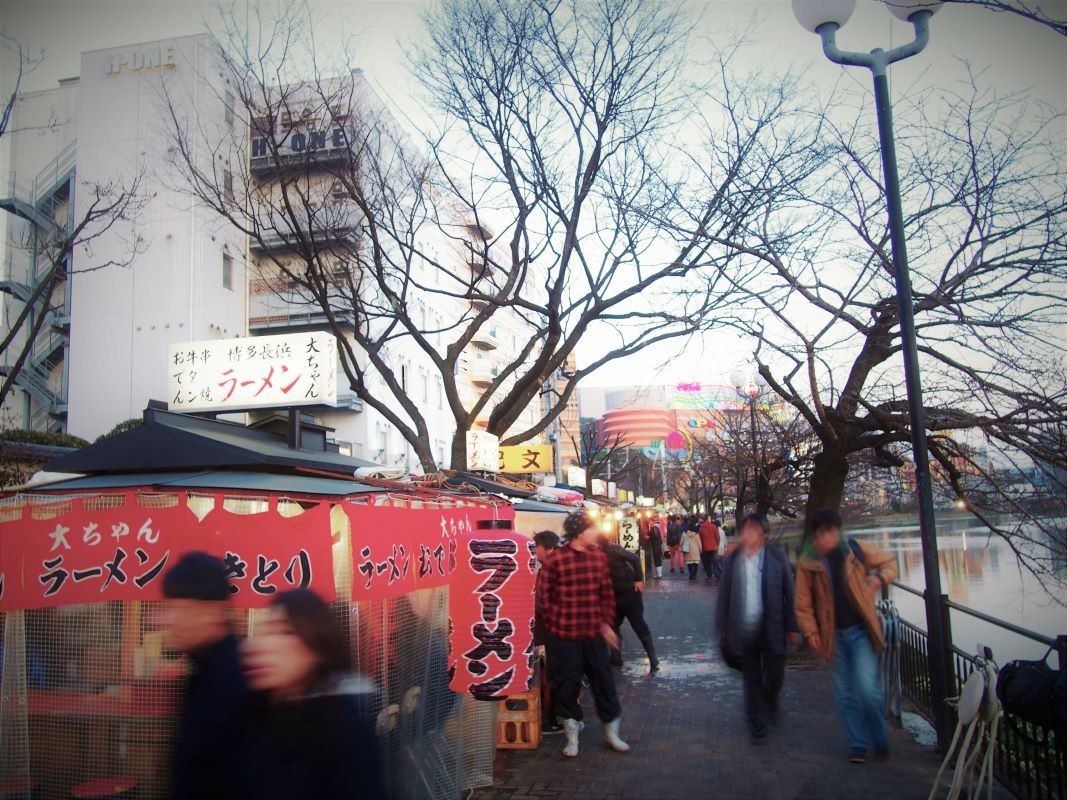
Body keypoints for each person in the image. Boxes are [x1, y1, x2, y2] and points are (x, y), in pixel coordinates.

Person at [239, 588, 386, 799]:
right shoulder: (256, 713)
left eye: (285, 632)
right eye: (267, 629)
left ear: (316, 649)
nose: (263, 644)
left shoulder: (345, 735)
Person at [795, 508, 898, 764]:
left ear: (837, 532)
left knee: (868, 689)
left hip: (862, 630)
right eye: (821, 533)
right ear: (816, 534)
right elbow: (803, 603)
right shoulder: (809, 561)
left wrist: (878, 579)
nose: (826, 538)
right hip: (832, 635)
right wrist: (811, 632)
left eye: (830, 532)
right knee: (844, 694)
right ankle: (858, 743)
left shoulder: (856, 551)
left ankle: (880, 738)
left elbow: (889, 562)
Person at [536, 509, 629, 758]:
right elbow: (545, 598)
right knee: (567, 684)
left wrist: (607, 624)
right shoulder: (556, 560)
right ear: (579, 532)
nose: (596, 532)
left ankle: (611, 732)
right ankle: (571, 736)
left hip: (593, 634)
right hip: (565, 635)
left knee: (604, 681)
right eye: (591, 528)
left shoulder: (598, 558)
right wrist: (556, 625)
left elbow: (607, 594)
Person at [163, 552, 252, 800]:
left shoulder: (237, 684)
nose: (169, 620)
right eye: (169, 608)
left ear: (214, 612)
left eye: (181, 609)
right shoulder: (200, 670)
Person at [715, 513, 798, 742]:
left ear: (764, 535)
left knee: (774, 676)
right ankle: (756, 722)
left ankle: (770, 700)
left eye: (753, 530)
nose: (748, 535)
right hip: (744, 629)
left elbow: (789, 593)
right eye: (746, 530)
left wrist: (793, 626)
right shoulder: (733, 560)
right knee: (751, 679)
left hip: (772, 626)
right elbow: (724, 596)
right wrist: (722, 627)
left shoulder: (776, 557)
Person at [600, 531, 659, 672]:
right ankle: (616, 657)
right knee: (613, 625)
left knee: (638, 624)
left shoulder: (613, 549)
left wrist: (638, 579)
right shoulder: (593, 556)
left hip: (629, 593)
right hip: (612, 596)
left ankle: (653, 657)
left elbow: (635, 558)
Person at [532, 530, 564, 736]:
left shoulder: (554, 569)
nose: (535, 553)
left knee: (557, 673)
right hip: (554, 629)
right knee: (554, 672)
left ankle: (558, 719)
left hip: (556, 630)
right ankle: (559, 717)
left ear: (548, 548)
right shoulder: (552, 567)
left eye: (537, 548)